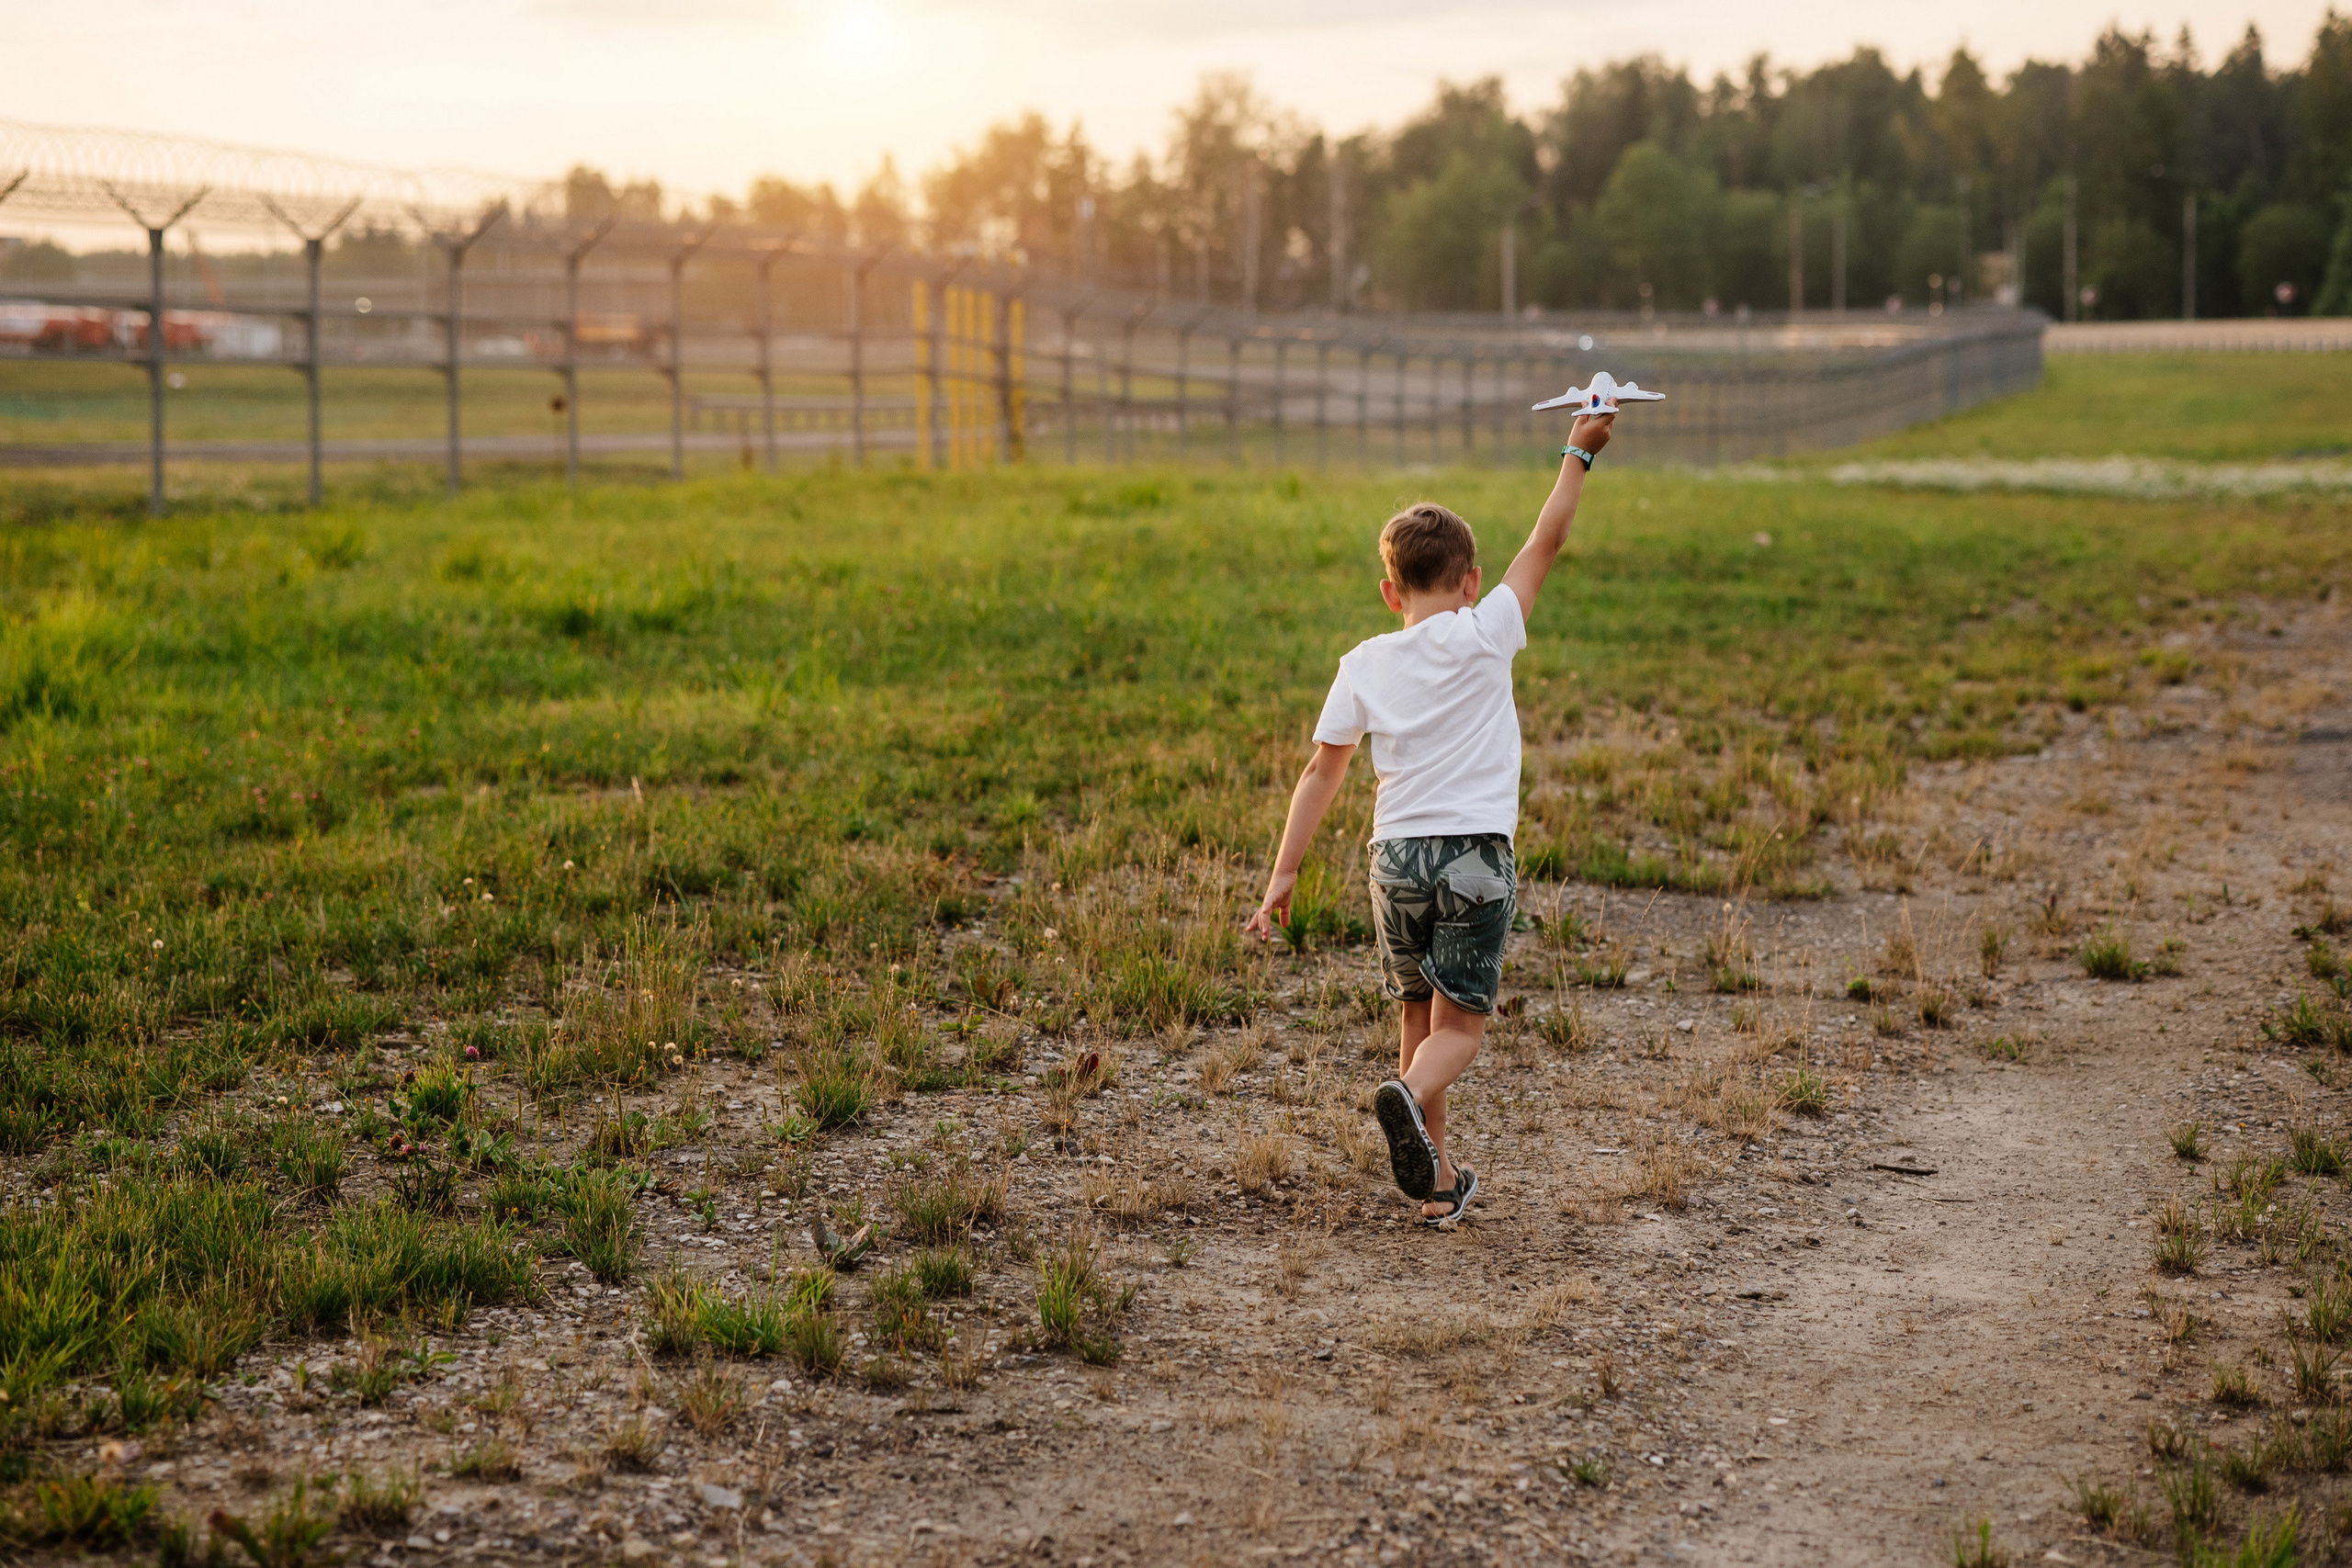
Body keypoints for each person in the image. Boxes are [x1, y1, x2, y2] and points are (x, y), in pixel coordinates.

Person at [1242, 410, 1616, 1224]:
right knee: (1461, 1032)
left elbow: (1321, 770)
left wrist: (1284, 872)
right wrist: (1576, 454)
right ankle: (1406, 1096)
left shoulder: (1363, 662)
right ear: (1472, 581)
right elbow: (1547, 539)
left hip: (1396, 861)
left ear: (1390, 592)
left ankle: (1438, 1182)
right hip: (1473, 855)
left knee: (1418, 1014)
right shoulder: (1488, 630)